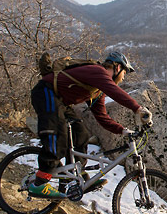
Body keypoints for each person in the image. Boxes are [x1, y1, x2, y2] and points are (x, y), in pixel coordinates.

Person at [29, 51, 152, 199]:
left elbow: (102, 117)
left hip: (60, 102)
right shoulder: (98, 72)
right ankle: (39, 183)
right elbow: (115, 92)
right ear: (117, 67)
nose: (124, 76)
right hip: (45, 92)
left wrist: (123, 130)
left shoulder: (98, 91)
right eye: (125, 72)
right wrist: (137, 108)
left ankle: (74, 178)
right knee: (58, 134)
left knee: (81, 134)